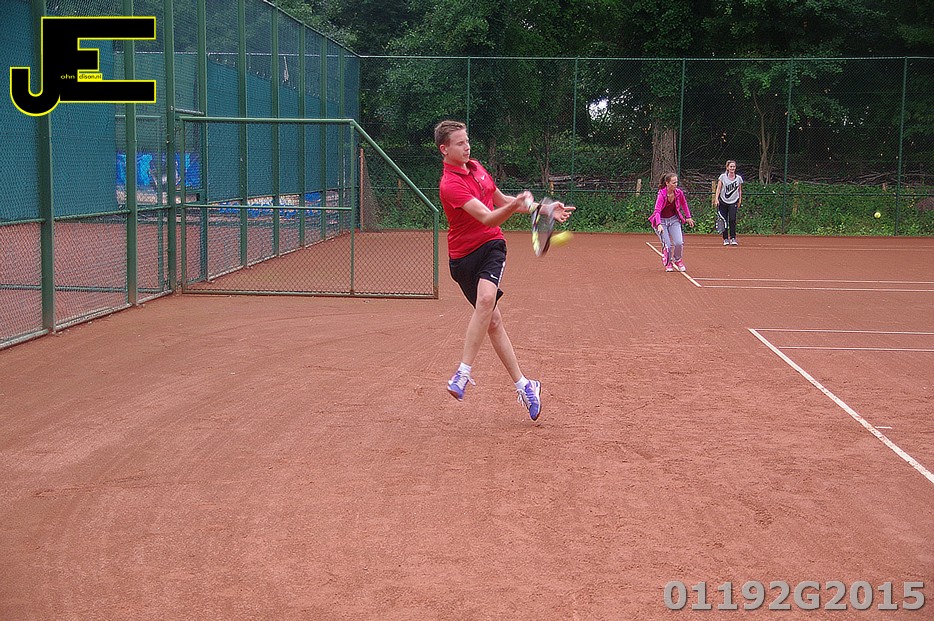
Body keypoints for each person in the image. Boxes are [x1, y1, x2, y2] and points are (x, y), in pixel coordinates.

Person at [435, 120, 574, 421]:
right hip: (462, 258)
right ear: (444, 149)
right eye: (459, 143)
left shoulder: (477, 168)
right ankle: (526, 385)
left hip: (491, 247)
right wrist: (518, 206)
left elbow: (501, 202)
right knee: (493, 322)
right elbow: (487, 216)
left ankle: (462, 373)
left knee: (486, 300)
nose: (467, 147)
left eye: (467, 141)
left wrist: (543, 208)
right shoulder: (450, 184)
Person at [649, 172, 694, 272]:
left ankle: (678, 260)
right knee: (667, 245)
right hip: (661, 221)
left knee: (679, 242)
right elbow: (657, 211)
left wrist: (688, 217)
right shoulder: (661, 194)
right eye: (673, 183)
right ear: (667, 183)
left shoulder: (679, 193)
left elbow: (684, 203)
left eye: (676, 182)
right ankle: (668, 262)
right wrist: (659, 224)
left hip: (674, 219)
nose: (676, 184)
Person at [714, 160, 743, 245]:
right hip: (723, 201)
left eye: (734, 166)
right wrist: (716, 199)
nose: (732, 168)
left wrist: (740, 200)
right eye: (731, 166)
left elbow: (739, 190)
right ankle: (725, 238)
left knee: (732, 219)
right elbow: (719, 188)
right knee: (724, 220)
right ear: (727, 167)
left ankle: (733, 238)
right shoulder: (722, 177)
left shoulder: (738, 178)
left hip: (733, 201)